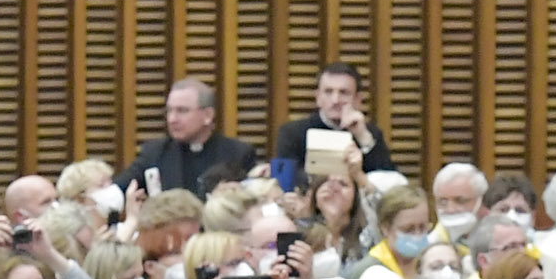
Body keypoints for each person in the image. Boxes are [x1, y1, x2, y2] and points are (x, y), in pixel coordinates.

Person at [271, 61, 408, 188]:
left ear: (358, 100)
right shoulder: (292, 132)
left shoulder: (370, 134)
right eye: (328, 92)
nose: (335, 100)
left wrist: (363, 138)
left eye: (344, 93)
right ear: (318, 98)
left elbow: (389, 184)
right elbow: (282, 180)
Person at [125, 76, 258, 198]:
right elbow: (118, 190)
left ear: (207, 115)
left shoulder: (238, 153)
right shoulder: (155, 152)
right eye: (169, 111)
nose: (172, 119)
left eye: (182, 111)